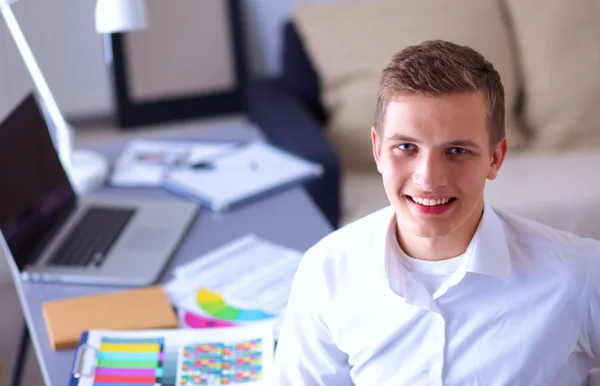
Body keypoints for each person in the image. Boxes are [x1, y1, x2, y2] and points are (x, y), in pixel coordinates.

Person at [271, 40, 600, 385]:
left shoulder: (580, 274)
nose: (428, 178)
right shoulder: (325, 271)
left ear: (495, 158)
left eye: (457, 150)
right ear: (377, 150)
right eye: (406, 147)